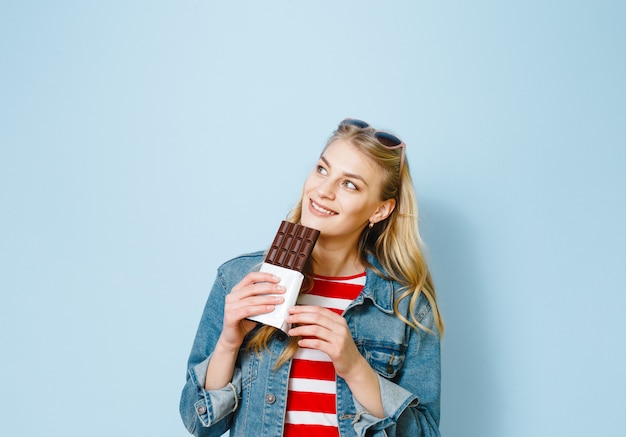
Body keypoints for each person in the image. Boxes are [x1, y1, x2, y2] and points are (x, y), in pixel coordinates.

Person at [179, 119, 444, 436]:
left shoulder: (406, 305)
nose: (323, 191)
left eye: (350, 185)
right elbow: (199, 425)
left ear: (380, 210)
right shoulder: (238, 278)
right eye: (322, 169)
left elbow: (425, 432)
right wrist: (229, 342)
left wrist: (356, 368)